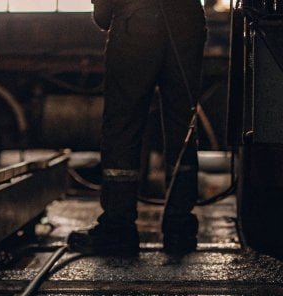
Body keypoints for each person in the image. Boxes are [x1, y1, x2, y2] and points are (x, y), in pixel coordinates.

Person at [67, 0, 207, 256]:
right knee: (183, 125)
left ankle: (118, 229)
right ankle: (179, 229)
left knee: (123, 125)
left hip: (137, 23)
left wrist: (105, 11)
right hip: (188, 22)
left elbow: (102, 16)